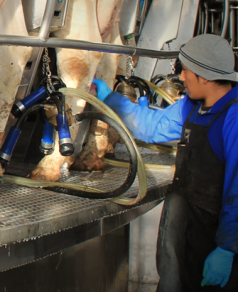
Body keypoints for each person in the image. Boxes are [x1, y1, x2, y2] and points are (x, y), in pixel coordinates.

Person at [92, 34, 238, 291]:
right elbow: (150, 127)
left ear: (204, 76)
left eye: (186, 71)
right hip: (186, 222)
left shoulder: (233, 117)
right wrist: (110, 99)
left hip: (218, 237)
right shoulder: (192, 107)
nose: (181, 78)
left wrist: (228, 247)